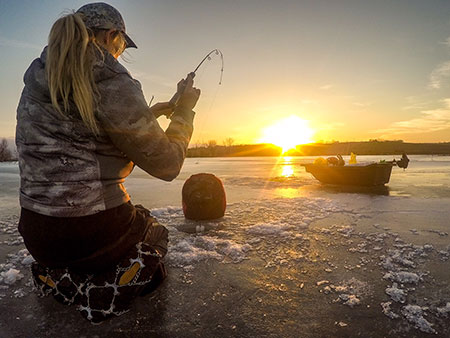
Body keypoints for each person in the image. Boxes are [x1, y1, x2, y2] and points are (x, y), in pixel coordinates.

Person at [15, 2, 200, 323]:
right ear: (111, 35)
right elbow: (167, 164)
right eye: (121, 45)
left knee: (133, 217)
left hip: (36, 233)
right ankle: (101, 290)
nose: (119, 53)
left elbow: (83, 126)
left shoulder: (40, 76)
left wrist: (152, 112)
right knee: (154, 233)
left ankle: (62, 274)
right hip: (87, 230)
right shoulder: (107, 73)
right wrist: (184, 112)